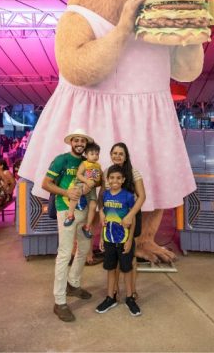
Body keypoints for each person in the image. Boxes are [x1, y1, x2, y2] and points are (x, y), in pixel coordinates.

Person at [41, 128, 94, 323]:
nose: (79, 143)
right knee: (64, 253)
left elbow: (92, 186)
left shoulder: (87, 162)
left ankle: (73, 283)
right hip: (65, 210)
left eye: (83, 141)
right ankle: (59, 301)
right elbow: (45, 183)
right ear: (71, 142)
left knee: (84, 248)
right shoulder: (61, 160)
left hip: (83, 210)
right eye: (76, 140)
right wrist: (66, 193)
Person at [94, 165, 140, 316]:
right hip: (109, 239)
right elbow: (105, 219)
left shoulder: (128, 196)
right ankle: (110, 297)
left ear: (123, 180)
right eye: (112, 178)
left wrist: (129, 240)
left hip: (124, 240)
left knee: (127, 269)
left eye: (118, 178)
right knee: (110, 268)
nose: (115, 180)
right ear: (107, 180)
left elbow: (132, 219)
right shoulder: (105, 195)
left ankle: (129, 298)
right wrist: (102, 237)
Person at [66, 142, 102, 232]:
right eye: (92, 154)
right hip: (81, 184)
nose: (95, 156)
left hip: (92, 188)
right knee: (76, 194)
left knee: (93, 205)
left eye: (97, 154)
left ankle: (87, 226)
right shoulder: (84, 164)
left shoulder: (98, 166)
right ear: (86, 155)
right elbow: (78, 174)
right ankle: (70, 215)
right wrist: (86, 181)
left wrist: (99, 179)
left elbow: (100, 177)